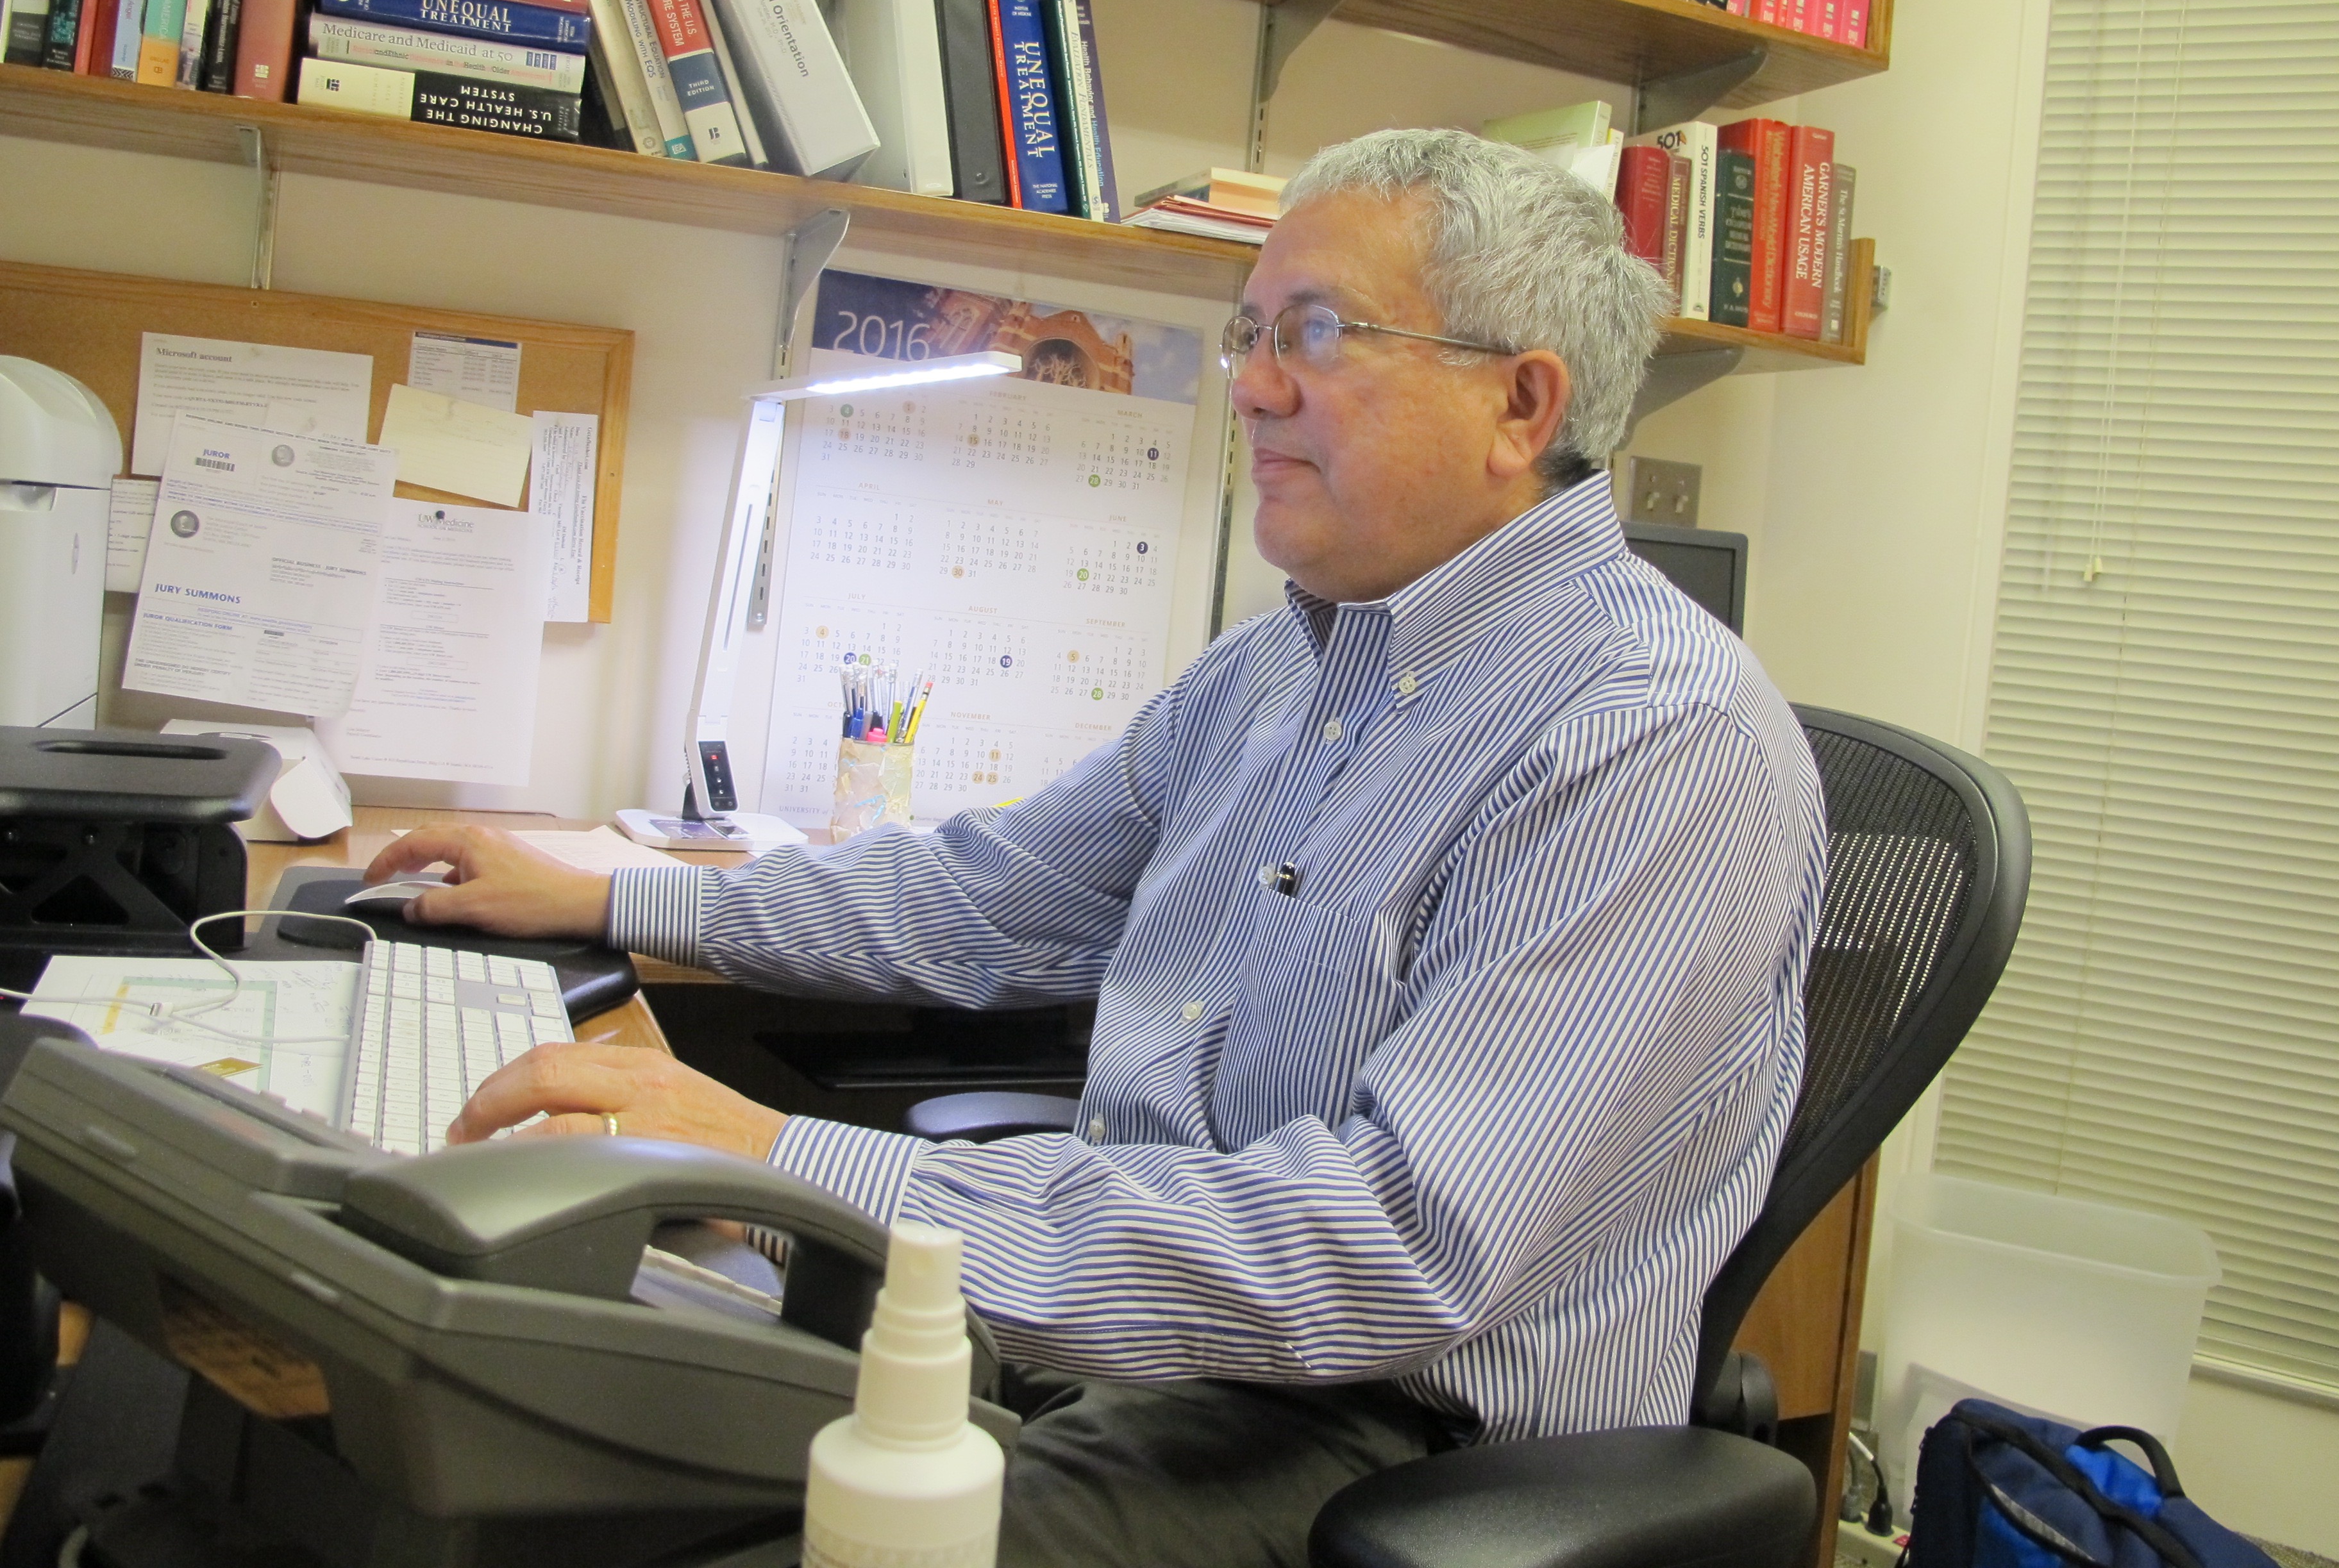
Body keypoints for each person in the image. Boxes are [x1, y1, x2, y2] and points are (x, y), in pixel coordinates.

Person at [365, 128, 1827, 1568]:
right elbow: (985, 897)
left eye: (1316, 334)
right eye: (1252, 332)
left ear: (1519, 404)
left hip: (1384, 1444)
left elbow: (1390, 1245)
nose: (1253, 386)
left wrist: (783, 1165)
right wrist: (613, 898)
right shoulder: (1282, 669)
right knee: (549, 1433)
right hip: (1147, 1336)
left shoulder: (1653, 738)